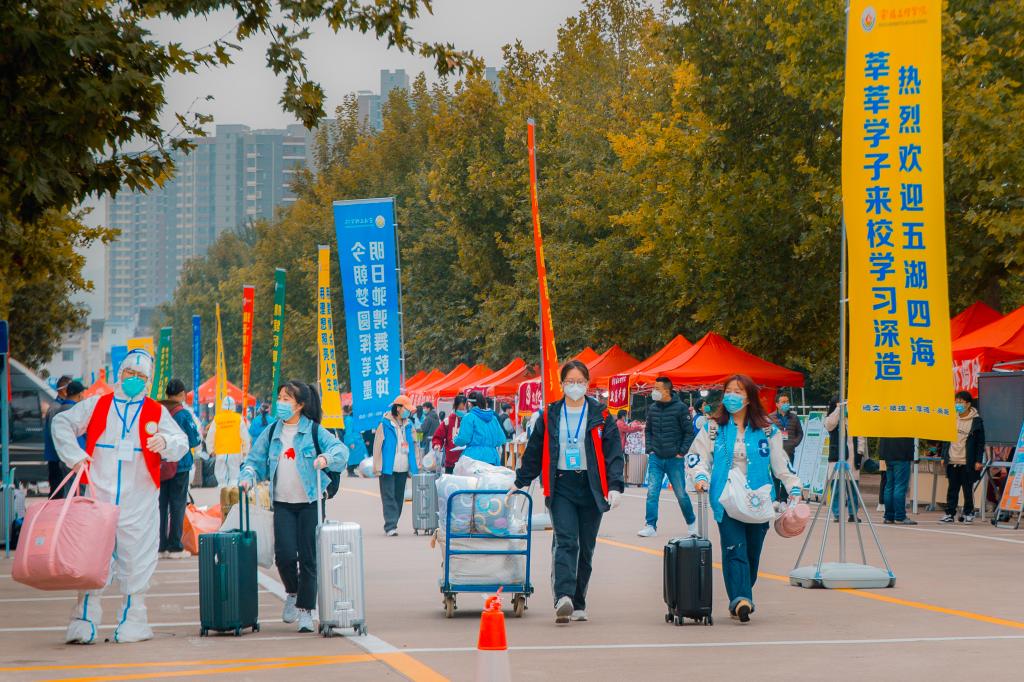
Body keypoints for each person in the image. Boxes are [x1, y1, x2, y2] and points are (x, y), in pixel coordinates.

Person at [52, 349, 188, 643]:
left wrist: (165, 441)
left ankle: (133, 619)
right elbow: (62, 423)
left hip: (139, 499)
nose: (134, 379)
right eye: (130, 373)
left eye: (141, 376)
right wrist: (74, 455)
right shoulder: (98, 404)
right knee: (92, 558)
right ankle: (84, 619)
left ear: (148, 380)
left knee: (137, 560)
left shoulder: (156, 411)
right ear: (121, 373)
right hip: (99, 496)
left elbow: (182, 441)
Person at [510, 360, 624, 624]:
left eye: (580, 382)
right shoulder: (549, 414)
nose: (575, 386)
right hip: (561, 485)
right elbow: (535, 450)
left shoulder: (601, 415)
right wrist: (521, 481)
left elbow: (613, 452)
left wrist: (615, 486)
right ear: (562, 384)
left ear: (587, 384)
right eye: (570, 382)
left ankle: (579, 601)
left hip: (592, 486)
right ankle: (563, 597)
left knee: (586, 547)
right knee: (566, 541)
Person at [688, 374, 802, 624]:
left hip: (759, 501)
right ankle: (741, 599)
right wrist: (701, 476)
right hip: (726, 499)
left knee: (751, 555)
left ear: (749, 397)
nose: (732, 396)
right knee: (734, 549)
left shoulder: (767, 430)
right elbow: (697, 456)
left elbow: (780, 463)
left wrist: (793, 486)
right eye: (728, 391)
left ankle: (740, 595)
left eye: (738, 392)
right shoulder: (712, 427)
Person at [240, 380, 348, 633]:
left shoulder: (314, 431)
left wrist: (326, 458)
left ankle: (306, 611)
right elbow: (254, 460)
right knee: (285, 555)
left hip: (310, 502)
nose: (280, 403)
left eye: (286, 399)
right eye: (279, 398)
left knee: (309, 558)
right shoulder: (272, 432)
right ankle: (292, 591)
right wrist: (248, 476)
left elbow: (340, 451)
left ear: (299, 405)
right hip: (283, 503)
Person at [637, 377, 697, 538]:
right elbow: (648, 430)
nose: (654, 391)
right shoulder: (653, 408)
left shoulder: (681, 408)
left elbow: (689, 432)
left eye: (657, 388)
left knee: (681, 494)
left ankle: (692, 524)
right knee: (652, 493)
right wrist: (650, 449)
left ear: (667, 390)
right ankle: (650, 525)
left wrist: (681, 452)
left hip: (674, 459)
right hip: (656, 457)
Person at [158, 379, 203, 558]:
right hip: (180, 465)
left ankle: (160, 546)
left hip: (161, 465)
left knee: (161, 506)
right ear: (182, 394)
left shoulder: (158, 410)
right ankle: (175, 546)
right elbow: (194, 440)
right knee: (177, 505)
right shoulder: (183, 414)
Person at [372, 395, 418, 536]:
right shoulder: (384, 424)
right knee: (388, 496)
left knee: (398, 497)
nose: (408, 412)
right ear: (398, 408)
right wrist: (377, 466)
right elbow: (377, 446)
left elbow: (415, 445)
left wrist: (415, 465)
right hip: (388, 467)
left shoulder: (409, 425)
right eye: (406, 409)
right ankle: (390, 526)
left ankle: (393, 521)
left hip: (403, 467)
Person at [939, 391, 985, 523]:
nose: (957, 404)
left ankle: (968, 513)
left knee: (967, 489)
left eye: (961, 402)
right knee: (952, 489)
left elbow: (980, 443)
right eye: (956, 402)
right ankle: (949, 513)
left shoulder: (976, 421)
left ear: (968, 404)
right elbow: (945, 439)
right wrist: (943, 456)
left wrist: (978, 460)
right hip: (952, 459)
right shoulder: (951, 418)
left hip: (967, 461)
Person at [824, 397, 866, 522]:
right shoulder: (832, 417)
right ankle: (837, 514)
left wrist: (860, 452)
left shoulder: (854, 419)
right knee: (836, 488)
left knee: (853, 488)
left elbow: (861, 436)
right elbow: (829, 425)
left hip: (852, 458)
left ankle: (853, 514)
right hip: (837, 458)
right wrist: (838, 409)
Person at [43, 378, 85, 498]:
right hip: (61, 457)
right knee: (63, 491)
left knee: (68, 490)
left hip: (65, 457)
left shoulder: (62, 407)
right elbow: (56, 435)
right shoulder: (60, 409)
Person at [204, 395, 251, 488]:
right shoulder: (238, 418)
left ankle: (223, 493)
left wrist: (211, 450)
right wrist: (245, 450)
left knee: (221, 479)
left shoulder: (217, 419)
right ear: (234, 406)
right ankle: (233, 494)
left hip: (220, 451)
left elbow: (210, 436)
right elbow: (245, 436)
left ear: (223, 406)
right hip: (235, 451)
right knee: (234, 477)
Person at [453, 391, 508, 466]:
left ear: (469, 403)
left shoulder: (469, 417)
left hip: (473, 459)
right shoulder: (493, 418)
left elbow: (463, 439)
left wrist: (455, 439)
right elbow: (501, 439)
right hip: (492, 458)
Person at [769, 394, 804, 504]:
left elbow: (800, 433)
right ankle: (775, 499)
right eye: (783, 402)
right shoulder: (770, 417)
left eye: (787, 401)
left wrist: (794, 443)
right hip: (775, 452)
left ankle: (783, 499)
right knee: (775, 476)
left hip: (789, 451)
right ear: (777, 404)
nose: (786, 404)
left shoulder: (794, 417)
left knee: (788, 475)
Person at [878, 437, 916, 525]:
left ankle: (889, 516)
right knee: (900, 486)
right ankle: (900, 516)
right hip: (902, 453)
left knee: (889, 486)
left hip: (888, 454)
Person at [433, 395, 468, 474]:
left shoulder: (470, 421)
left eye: (464, 409)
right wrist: (437, 444)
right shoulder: (448, 421)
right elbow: (438, 436)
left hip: (466, 462)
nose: (462, 411)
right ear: (455, 408)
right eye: (460, 409)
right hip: (451, 462)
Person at [341, 405, 366, 477]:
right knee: (352, 457)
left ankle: (353, 470)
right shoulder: (349, 419)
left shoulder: (354, 419)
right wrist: (351, 442)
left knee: (359, 456)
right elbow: (348, 432)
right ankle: (350, 470)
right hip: (353, 441)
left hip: (357, 441)